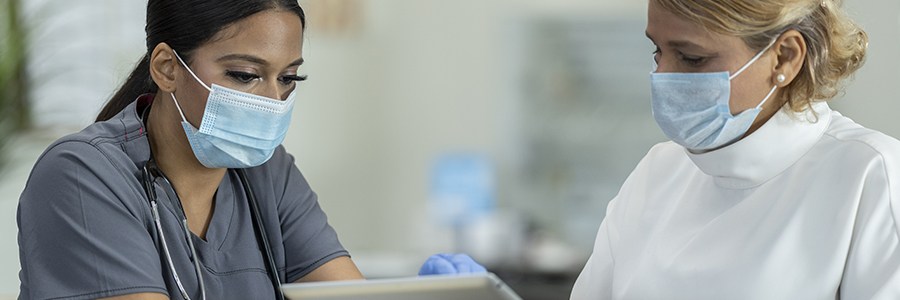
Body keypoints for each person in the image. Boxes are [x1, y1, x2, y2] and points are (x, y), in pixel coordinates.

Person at [17, 1, 483, 299]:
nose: (271, 102)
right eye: (245, 75)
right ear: (166, 68)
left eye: (288, 78)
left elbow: (345, 295)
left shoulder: (268, 173)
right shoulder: (82, 175)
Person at [571, 0, 900, 299]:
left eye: (692, 58)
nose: (662, 76)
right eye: (657, 51)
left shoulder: (872, 176)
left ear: (784, 56)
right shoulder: (657, 170)